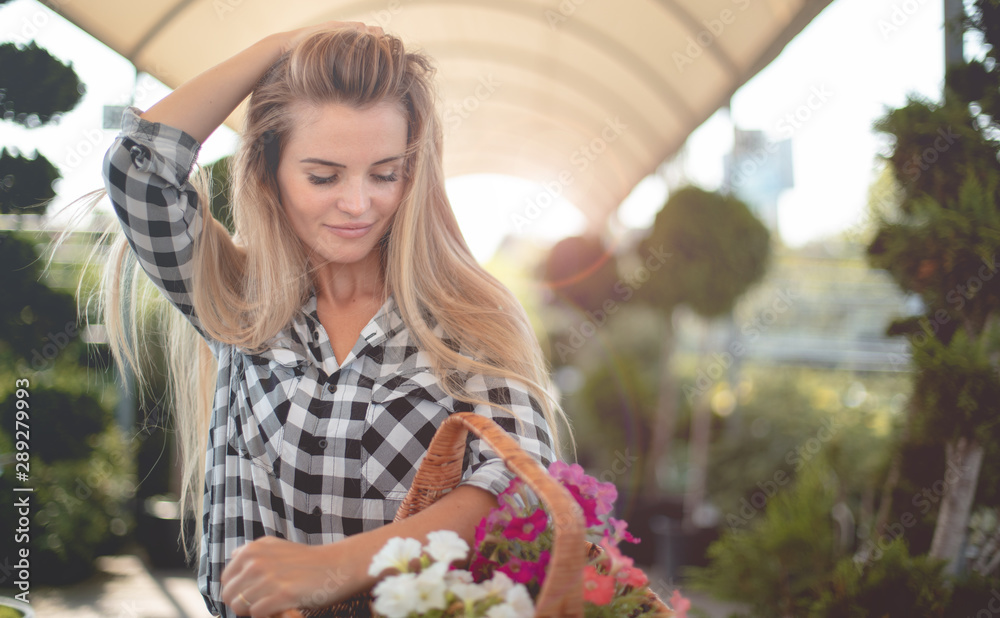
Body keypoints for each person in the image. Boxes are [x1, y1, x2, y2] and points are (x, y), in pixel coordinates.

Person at [63, 20, 570, 618]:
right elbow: (138, 169)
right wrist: (280, 48)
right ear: (268, 172)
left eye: (385, 173)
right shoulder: (235, 302)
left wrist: (333, 570)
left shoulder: (466, 316)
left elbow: (522, 488)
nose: (358, 204)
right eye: (323, 175)